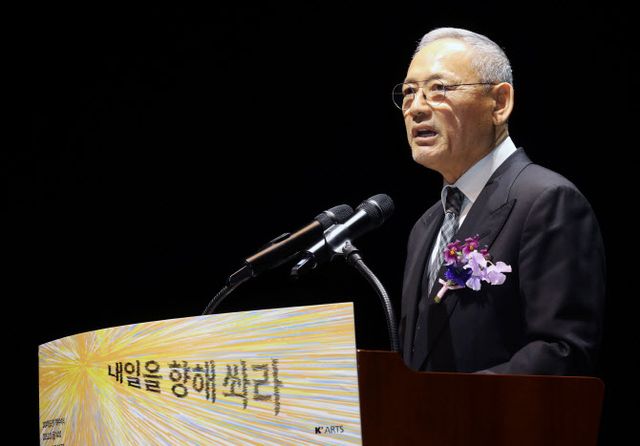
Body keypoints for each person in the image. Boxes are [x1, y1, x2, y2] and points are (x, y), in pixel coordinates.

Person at [395, 28, 605, 375]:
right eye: (409, 92)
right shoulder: (425, 227)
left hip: (498, 413)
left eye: (439, 89)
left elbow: (561, 353)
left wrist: (450, 401)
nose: (416, 107)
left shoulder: (547, 201)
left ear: (500, 103)